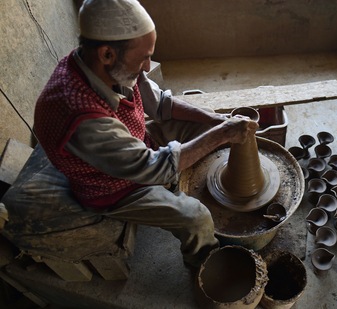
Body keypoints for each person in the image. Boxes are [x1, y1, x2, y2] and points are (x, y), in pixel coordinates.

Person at [32, 0, 258, 268]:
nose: (149, 65)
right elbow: (154, 168)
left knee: (207, 128)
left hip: (132, 143)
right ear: (107, 54)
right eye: (144, 58)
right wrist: (221, 135)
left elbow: (160, 105)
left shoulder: (103, 64)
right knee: (196, 217)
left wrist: (215, 121)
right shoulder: (81, 118)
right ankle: (203, 263)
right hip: (112, 186)